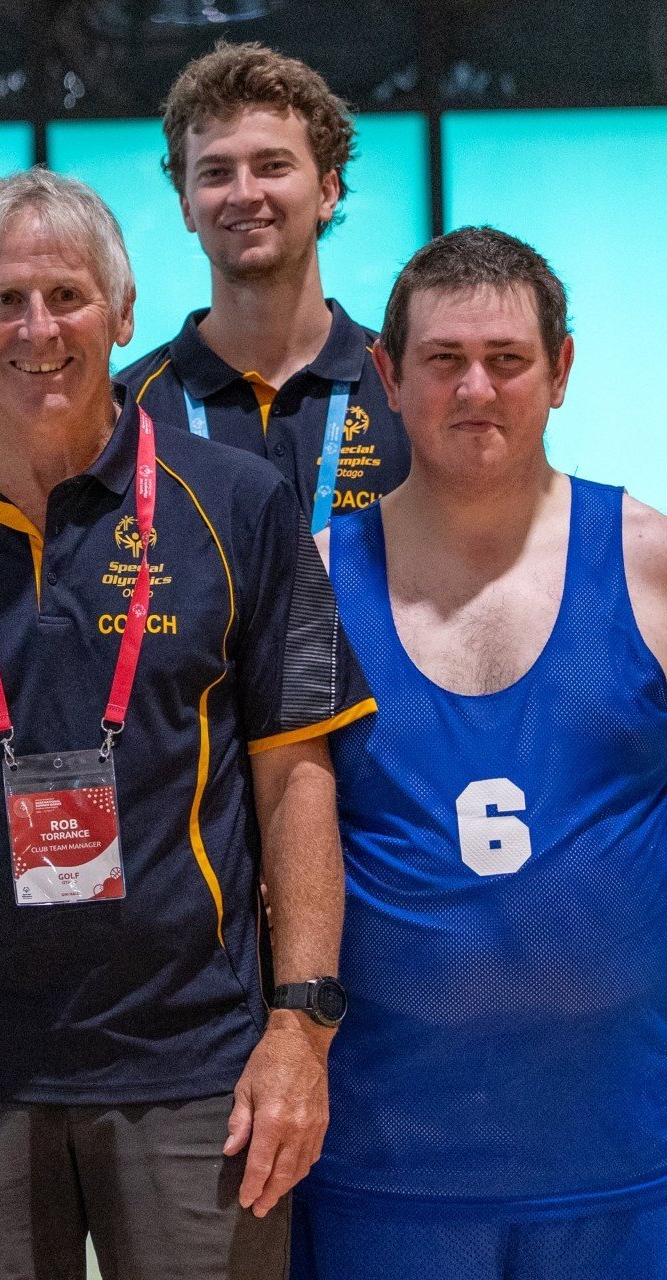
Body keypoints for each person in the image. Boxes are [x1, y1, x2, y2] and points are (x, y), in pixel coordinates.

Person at [0, 168, 372, 1280]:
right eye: (6, 300)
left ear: (124, 314)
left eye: (70, 296)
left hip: (192, 1065)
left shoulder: (233, 502)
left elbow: (295, 773)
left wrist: (301, 1024)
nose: (40, 329)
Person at [295, 228, 667, 1279]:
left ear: (561, 370)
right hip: (384, 1164)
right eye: (444, 360)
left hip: (624, 1161)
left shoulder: (650, 563)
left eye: (507, 359)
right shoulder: (314, 582)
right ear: (388, 374)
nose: (476, 389)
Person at [117, 42, 407, 530]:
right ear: (187, 206)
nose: (245, 193)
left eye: (273, 166)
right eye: (215, 173)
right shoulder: (125, 413)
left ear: (327, 191)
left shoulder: (408, 386)